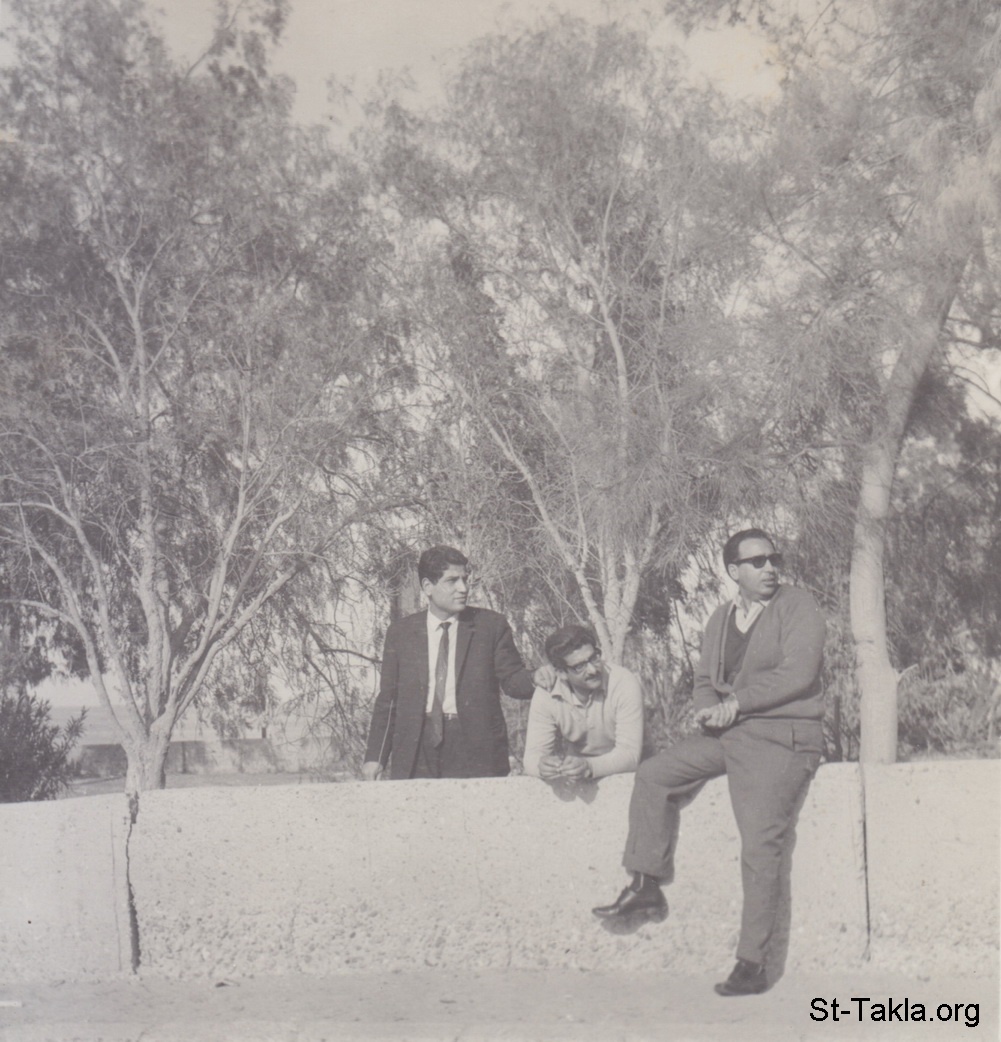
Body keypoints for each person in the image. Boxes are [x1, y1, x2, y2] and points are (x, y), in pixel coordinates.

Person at [591, 528, 825, 997]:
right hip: (729, 734)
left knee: (760, 845)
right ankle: (645, 884)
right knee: (654, 775)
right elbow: (704, 680)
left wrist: (735, 704)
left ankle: (752, 964)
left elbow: (797, 674)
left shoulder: (798, 606)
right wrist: (707, 710)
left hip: (782, 738)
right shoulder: (720, 617)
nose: (769, 568)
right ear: (734, 571)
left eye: (773, 559)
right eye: (756, 561)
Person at [361, 545, 552, 780]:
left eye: (465, 579)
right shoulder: (400, 633)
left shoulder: (490, 626)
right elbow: (388, 699)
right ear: (428, 587)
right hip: (415, 748)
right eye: (452, 581)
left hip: (475, 748)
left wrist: (534, 678)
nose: (463, 588)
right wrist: (375, 757)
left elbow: (512, 679)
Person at [522, 624, 644, 783]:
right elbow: (532, 756)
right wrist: (541, 766)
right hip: (581, 777)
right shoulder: (546, 693)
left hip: (635, 775)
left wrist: (589, 766)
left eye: (594, 658)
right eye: (579, 666)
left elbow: (630, 755)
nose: (593, 670)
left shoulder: (623, 682)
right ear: (561, 673)